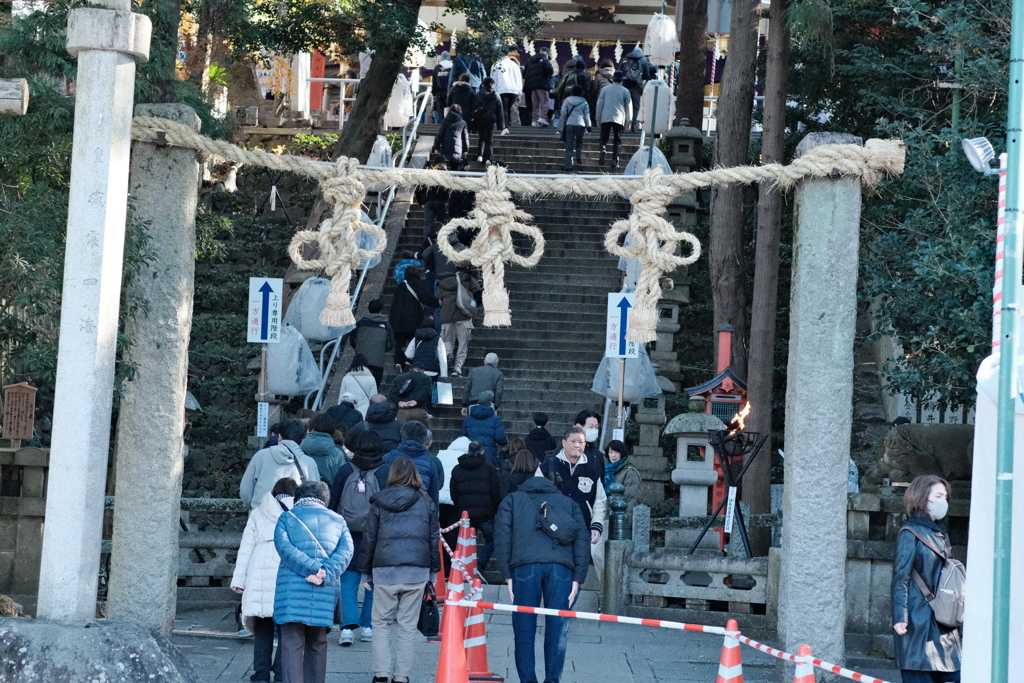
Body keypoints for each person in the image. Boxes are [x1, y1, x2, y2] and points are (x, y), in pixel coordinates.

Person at [493, 474, 589, 683]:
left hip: (524, 567)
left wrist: (507, 575)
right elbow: (582, 540)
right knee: (558, 627)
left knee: (524, 628)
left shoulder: (512, 500)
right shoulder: (568, 502)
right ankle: (552, 680)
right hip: (562, 569)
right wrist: (578, 578)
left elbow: (501, 539)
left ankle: (528, 680)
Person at [358, 456, 440, 683]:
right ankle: (401, 676)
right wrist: (433, 571)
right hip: (416, 572)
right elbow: (433, 539)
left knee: (381, 623)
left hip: (385, 571)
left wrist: (365, 572)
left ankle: (381, 674)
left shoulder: (379, 502)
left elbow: (369, 539)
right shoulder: (425, 501)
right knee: (407, 626)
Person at [273, 481, 353, 683]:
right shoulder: (338, 520)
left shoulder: (286, 518)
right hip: (324, 589)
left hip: (291, 590)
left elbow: (284, 548)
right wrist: (324, 572)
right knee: (318, 642)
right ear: (325, 498)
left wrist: (311, 568)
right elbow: (346, 551)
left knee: (291, 642)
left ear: (298, 497)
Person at [891, 475, 961, 682]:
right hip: (916, 622)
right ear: (922, 498)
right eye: (938, 496)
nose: (944, 502)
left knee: (955, 674)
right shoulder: (909, 533)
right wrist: (900, 617)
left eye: (945, 497)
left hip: (943, 619)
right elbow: (900, 578)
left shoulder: (940, 533)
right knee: (919, 674)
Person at [328, 431, 391, 647]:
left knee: (348, 579)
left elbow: (333, 501)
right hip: (378, 534)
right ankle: (368, 627)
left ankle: (347, 629)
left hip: (346, 533)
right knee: (374, 579)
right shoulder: (386, 472)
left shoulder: (346, 470)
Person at [231, 478, 296, 682]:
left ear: (274, 492)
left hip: (260, 567)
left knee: (262, 627)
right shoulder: (299, 512)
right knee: (286, 628)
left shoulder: (258, 512)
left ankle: (260, 674)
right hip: (287, 566)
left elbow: (246, 548)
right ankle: (280, 673)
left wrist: (239, 580)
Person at [540, 425, 607, 556]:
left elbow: (600, 501)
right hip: (552, 530)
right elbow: (536, 494)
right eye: (573, 441)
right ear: (564, 443)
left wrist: (596, 525)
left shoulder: (591, 471)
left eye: (581, 442)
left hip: (582, 529)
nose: (577, 445)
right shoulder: (547, 467)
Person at [241, 418, 320, 510]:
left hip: (262, 516)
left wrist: (255, 508)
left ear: (279, 437)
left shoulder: (260, 456)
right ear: (302, 440)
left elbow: (245, 491)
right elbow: (315, 497)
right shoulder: (309, 463)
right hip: (294, 518)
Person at [449, 440, 501, 571]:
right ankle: (479, 565)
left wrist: (459, 508)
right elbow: (495, 490)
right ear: (482, 451)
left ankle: (464, 568)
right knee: (493, 538)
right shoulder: (489, 467)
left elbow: (453, 492)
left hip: (465, 513)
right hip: (486, 513)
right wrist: (495, 509)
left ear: (468, 452)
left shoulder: (457, 469)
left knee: (464, 542)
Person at [383, 420, 441, 507]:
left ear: (403, 437)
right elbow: (433, 496)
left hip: (391, 508)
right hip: (421, 511)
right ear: (424, 439)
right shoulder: (430, 463)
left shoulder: (388, 457)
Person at [389, 266, 437, 369]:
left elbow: (394, 304)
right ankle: (408, 360)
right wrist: (437, 302)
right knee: (412, 340)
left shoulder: (400, 286)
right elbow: (424, 298)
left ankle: (398, 362)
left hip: (398, 320)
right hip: (413, 319)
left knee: (399, 342)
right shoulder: (419, 284)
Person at [437, 265, 481, 377]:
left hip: (447, 316)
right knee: (463, 344)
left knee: (447, 340)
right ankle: (457, 368)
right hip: (464, 316)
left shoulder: (444, 281)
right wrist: (473, 306)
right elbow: (478, 295)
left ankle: (448, 354)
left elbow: (437, 298)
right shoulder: (469, 279)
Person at [350, 299, 394, 386]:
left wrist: (358, 348)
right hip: (377, 361)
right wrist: (380, 349)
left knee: (359, 387)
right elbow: (390, 344)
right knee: (374, 388)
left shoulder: (360, 324)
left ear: (368, 309)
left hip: (360, 361)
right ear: (381, 310)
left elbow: (353, 340)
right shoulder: (386, 326)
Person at [595, 70, 632, 168]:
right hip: (619, 118)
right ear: (622, 81)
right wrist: (629, 121)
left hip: (605, 116)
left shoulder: (605, 89)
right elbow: (628, 107)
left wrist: (598, 118)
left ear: (613, 79)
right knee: (617, 140)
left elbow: (599, 104)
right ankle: (614, 160)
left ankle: (603, 148)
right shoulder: (625, 91)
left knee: (604, 137)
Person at [460, 390, 508, 465]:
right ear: (490, 403)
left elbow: (463, 436)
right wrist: (504, 443)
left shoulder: (468, 418)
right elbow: (500, 438)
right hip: (489, 456)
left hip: (472, 454)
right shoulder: (495, 419)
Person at [301, 412, 348, 486]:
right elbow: (342, 481)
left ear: (311, 430)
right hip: (327, 495)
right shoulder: (337, 454)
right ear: (332, 432)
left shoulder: (298, 451)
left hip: (302, 494)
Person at [470, 77, 507, 164]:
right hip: (490, 120)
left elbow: (474, 107)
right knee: (489, 140)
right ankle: (488, 158)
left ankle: (480, 155)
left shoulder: (478, 94)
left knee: (481, 137)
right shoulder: (496, 95)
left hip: (480, 119)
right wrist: (501, 126)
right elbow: (500, 111)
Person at [602, 440, 641, 517]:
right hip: (604, 515)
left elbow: (631, 499)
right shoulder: (604, 470)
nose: (613, 455)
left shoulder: (629, 472)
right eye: (611, 452)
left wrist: (625, 521)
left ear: (622, 453)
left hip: (620, 517)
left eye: (617, 452)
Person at [414, 159, 450, 235]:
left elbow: (417, 188)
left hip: (427, 201)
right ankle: (439, 241)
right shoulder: (444, 173)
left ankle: (427, 242)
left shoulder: (426, 173)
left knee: (428, 223)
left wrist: (421, 202)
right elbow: (451, 183)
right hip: (439, 200)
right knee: (440, 223)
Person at [559, 84, 590, 172]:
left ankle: (568, 165)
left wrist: (560, 125)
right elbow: (587, 115)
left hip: (569, 124)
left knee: (569, 144)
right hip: (581, 124)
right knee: (579, 142)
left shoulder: (567, 100)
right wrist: (589, 127)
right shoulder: (584, 102)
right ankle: (578, 157)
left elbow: (563, 113)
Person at [620, 46, 652, 131]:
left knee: (624, 105)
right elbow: (647, 75)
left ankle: (623, 124)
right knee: (636, 106)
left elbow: (619, 71)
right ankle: (634, 125)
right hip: (637, 86)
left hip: (625, 84)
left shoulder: (625, 60)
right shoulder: (643, 61)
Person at [433, 102, 471, 170]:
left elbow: (440, 135)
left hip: (446, 149)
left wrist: (437, 147)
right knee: (455, 169)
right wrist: (466, 150)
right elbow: (465, 138)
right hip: (458, 151)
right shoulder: (463, 123)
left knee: (444, 169)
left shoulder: (445, 121)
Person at [491, 48, 524, 126]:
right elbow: (519, 79)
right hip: (514, 90)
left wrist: (494, 90)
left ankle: (504, 126)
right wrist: (519, 94)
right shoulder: (514, 65)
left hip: (501, 89)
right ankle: (506, 124)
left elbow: (494, 79)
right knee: (508, 108)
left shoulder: (497, 64)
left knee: (503, 108)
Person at [524, 47, 554, 127]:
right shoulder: (545, 60)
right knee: (545, 101)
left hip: (532, 86)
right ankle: (542, 117)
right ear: (547, 53)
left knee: (536, 104)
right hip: (542, 84)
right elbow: (550, 71)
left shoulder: (530, 61)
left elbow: (525, 74)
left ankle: (534, 120)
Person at [431, 51, 453, 123]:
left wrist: (434, 93)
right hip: (451, 92)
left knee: (440, 112)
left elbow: (434, 82)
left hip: (440, 93)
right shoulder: (452, 67)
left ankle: (440, 127)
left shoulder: (437, 68)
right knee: (451, 110)